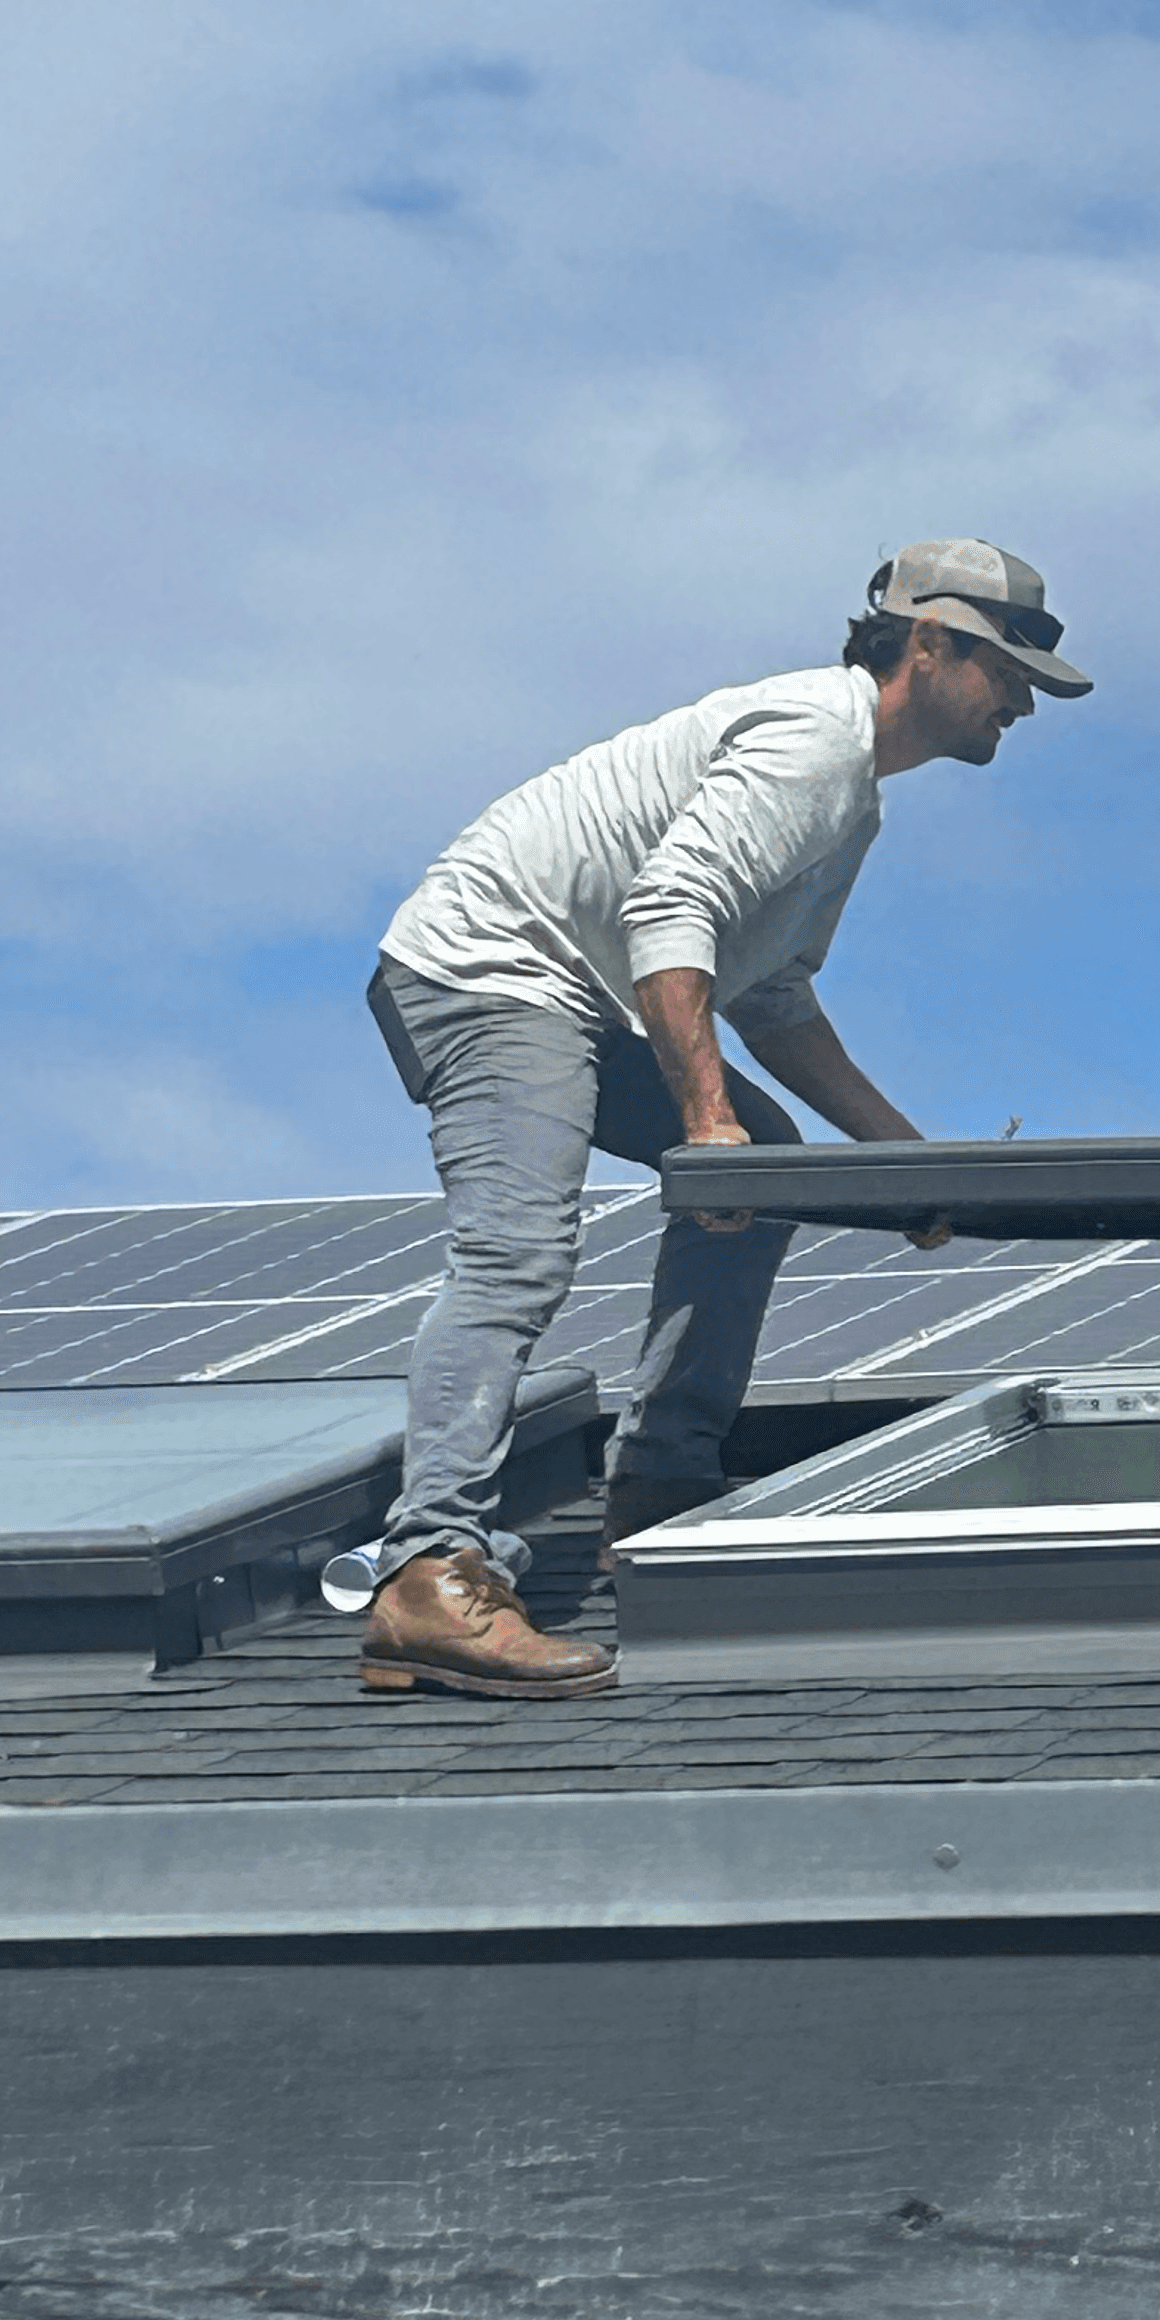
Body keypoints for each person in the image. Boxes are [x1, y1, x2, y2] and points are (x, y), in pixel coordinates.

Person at [357, 539, 1091, 1700]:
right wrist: (705, 1117)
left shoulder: (851, 803)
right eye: (1006, 673)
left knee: (766, 1173)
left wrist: (905, 1164)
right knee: (518, 1250)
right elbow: (669, 910)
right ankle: (425, 1572)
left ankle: (659, 1486)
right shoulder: (812, 741)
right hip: (493, 972)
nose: (1022, 705)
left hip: (589, 993)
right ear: (929, 645)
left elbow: (771, 999)